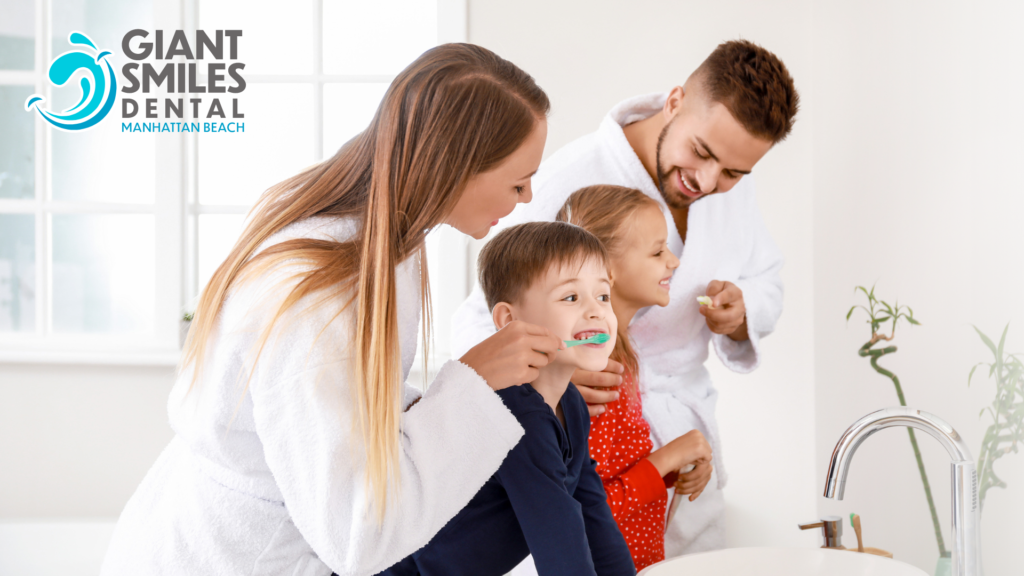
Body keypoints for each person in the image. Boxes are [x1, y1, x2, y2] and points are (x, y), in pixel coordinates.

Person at [100, 44, 566, 576]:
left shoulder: (387, 242)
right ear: (455, 167)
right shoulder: (315, 300)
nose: (529, 196)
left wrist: (485, 389)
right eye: (516, 181)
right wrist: (474, 383)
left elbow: (347, 404)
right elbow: (357, 532)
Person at [451, 39, 800, 556]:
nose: (708, 181)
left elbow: (768, 276)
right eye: (701, 153)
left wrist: (744, 306)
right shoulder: (569, 180)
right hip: (597, 423)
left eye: (733, 173)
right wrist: (558, 370)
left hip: (681, 437)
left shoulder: (731, 187)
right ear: (675, 101)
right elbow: (487, 315)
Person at [379, 221, 634, 576]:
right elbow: (561, 546)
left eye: (603, 296)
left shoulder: (572, 405)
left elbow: (592, 513)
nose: (596, 312)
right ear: (509, 320)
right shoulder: (516, 414)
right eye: (571, 297)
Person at [555, 185, 712, 570]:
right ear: (607, 269)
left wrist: (678, 465)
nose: (673, 262)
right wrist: (669, 455)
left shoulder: (620, 354)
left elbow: (616, 474)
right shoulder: (596, 371)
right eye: (658, 252)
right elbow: (589, 507)